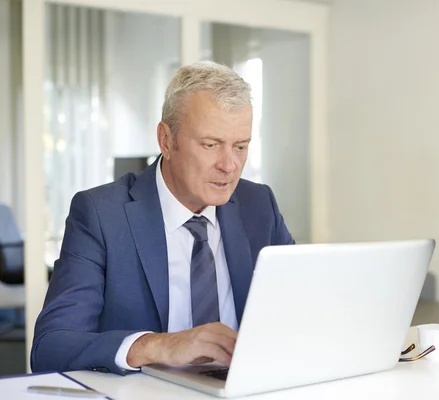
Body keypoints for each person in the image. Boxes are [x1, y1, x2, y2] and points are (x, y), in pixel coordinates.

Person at [31, 61, 294, 374]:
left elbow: (303, 306)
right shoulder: (101, 214)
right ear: (167, 141)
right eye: (211, 145)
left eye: (240, 146)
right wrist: (160, 345)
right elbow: (51, 347)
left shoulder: (258, 204)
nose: (230, 165)